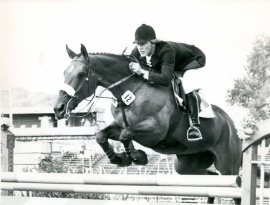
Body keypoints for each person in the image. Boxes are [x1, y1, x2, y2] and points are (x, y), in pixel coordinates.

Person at [129, 24, 206, 141]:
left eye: (143, 44)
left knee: (187, 84)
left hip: (193, 61)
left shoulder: (166, 51)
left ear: (153, 42)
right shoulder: (138, 51)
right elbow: (128, 63)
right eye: (138, 44)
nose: (140, 47)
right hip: (173, 63)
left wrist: (143, 72)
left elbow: (165, 79)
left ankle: (194, 127)